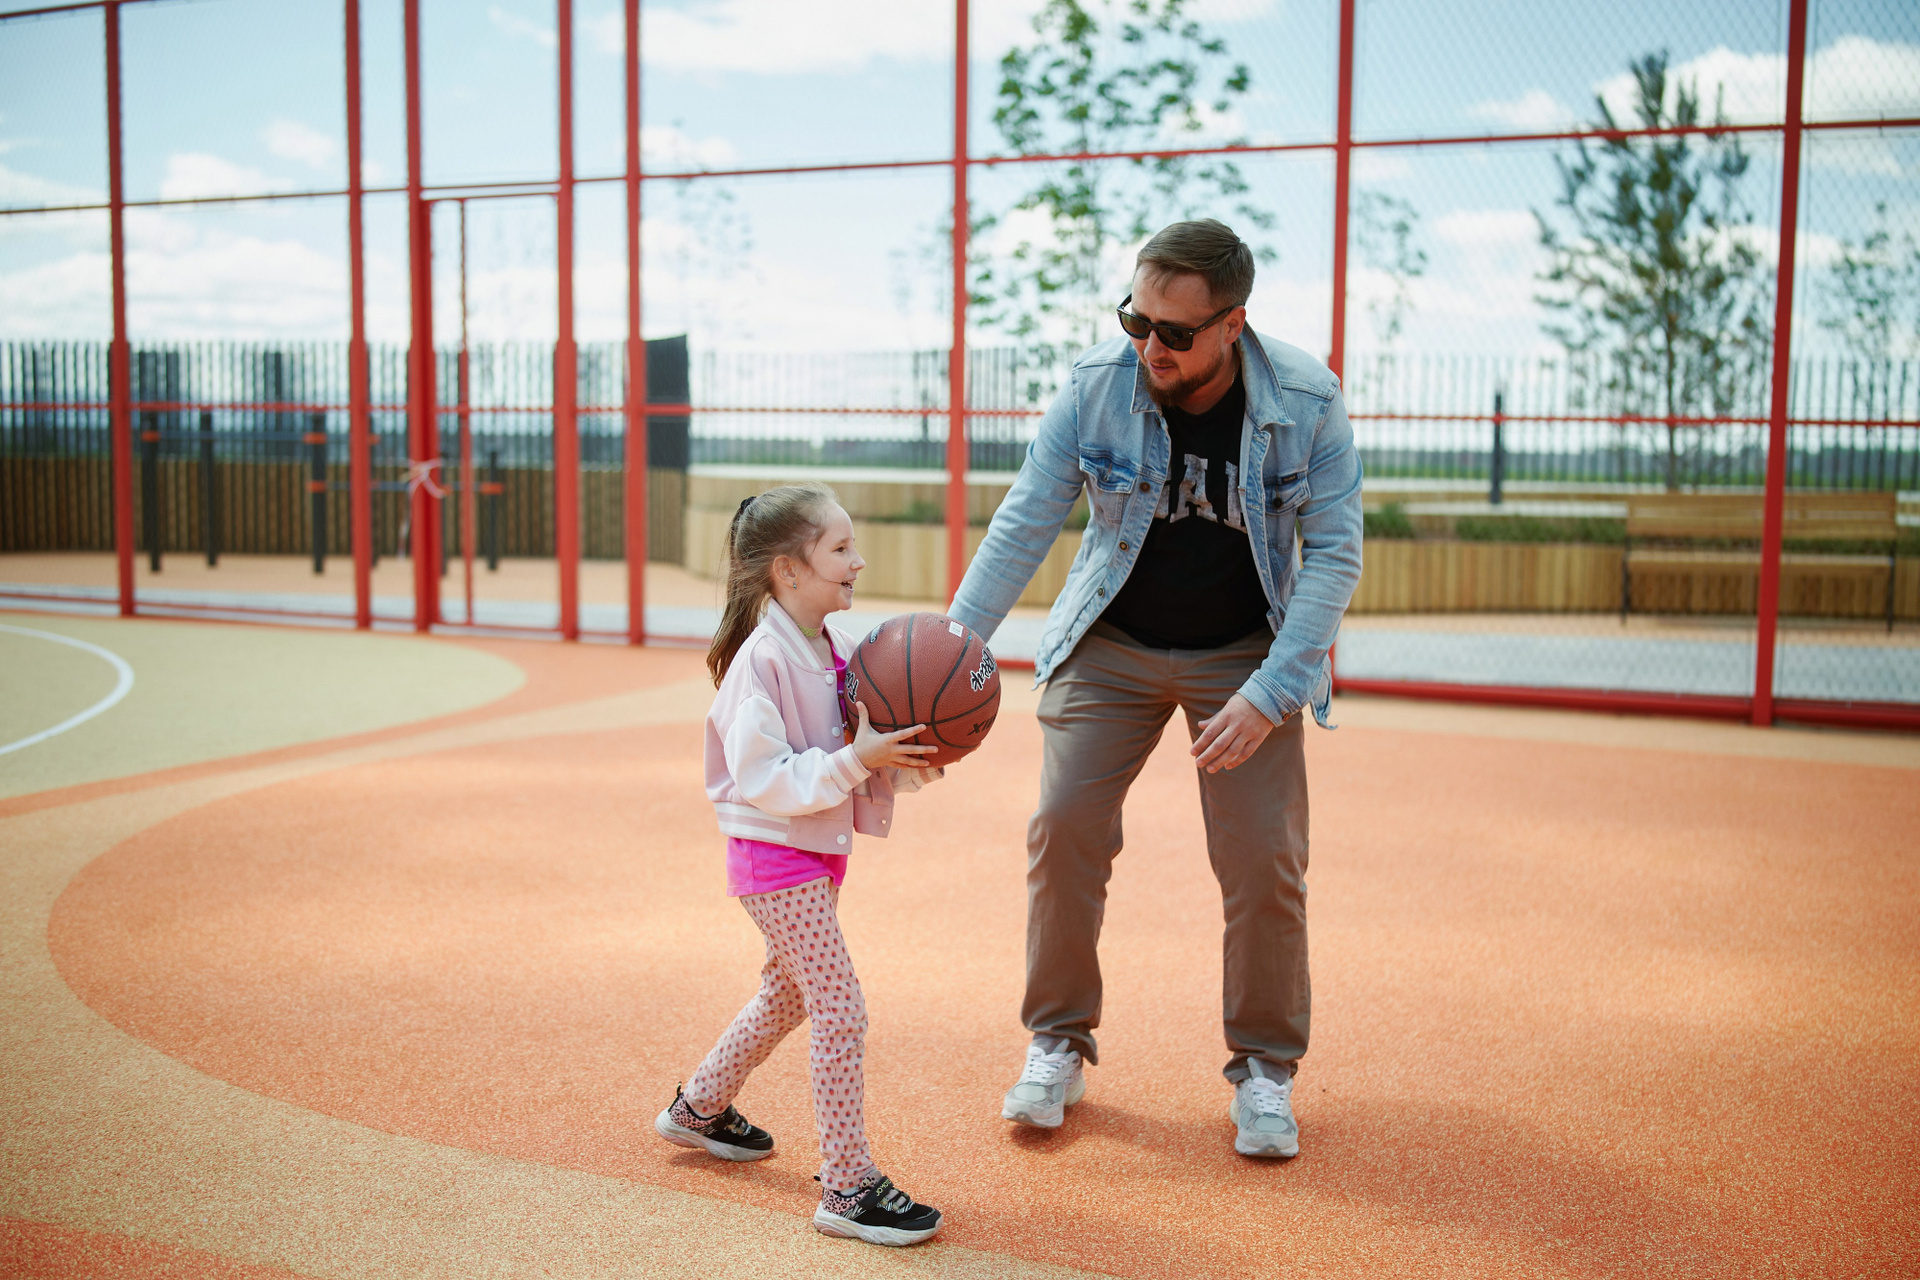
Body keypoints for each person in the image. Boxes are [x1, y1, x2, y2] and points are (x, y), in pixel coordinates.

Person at [948, 219, 1364, 1159]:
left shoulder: (1307, 401)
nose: (1150, 347)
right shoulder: (1098, 385)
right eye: (1136, 320)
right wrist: (954, 642)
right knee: (1064, 828)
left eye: (1175, 332)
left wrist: (1271, 693)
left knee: (1264, 861)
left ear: (1232, 325)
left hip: (1245, 655)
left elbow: (1335, 556)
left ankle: (1264, 1068)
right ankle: (1057, 1043)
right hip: (1114, 640)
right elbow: (1026, 518)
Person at [657, 482, 946, 1246]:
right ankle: (847, 1185)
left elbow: (852, 749)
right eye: (841, 549)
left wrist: (909, 761)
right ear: (787, 570)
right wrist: (861, 759)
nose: (858, 560)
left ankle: (699, 1108)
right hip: (775, 860)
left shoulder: (835, 649)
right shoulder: (760, 663)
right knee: (839, 1008)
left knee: (786, 995)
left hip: (810, 856)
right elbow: (770, 779)